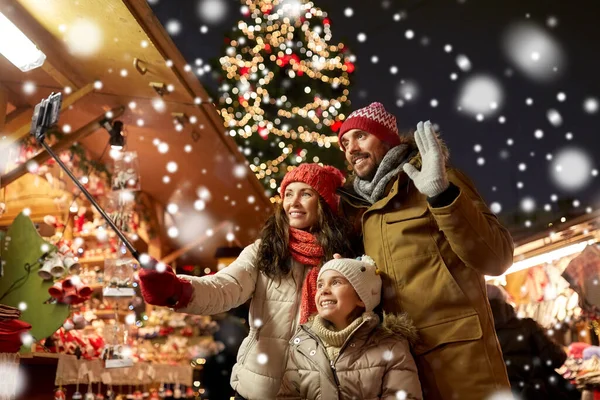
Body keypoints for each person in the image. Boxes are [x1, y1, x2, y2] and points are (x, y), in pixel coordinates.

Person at [336, 102, 514, 399]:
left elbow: (496, 258)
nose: (351, 148)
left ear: (387, 139)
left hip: (460, 359)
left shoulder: (438, 180)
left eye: (361, 137)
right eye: (344, 142)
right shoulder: (357, 212)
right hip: (399, 370)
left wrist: (441, 195)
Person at [138, 163, 355, 400]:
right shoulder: (266, 250)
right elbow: (225, 287)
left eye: (306, 194)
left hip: (317, 389)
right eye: (289, 194)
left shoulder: (342, 257)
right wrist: (178, 290)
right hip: (259, 388)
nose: (294, 202)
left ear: (324, 203)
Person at [278, 256, 422, 400]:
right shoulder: (301, 345)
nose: (324, 290)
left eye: (335, 282)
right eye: (320, 285)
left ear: (361, 297)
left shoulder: (391, 347)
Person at [487, 284, 580, 400]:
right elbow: (555, 358)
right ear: (504, 301)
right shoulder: (526, 326)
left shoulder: (479, 340)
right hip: (541, 393)